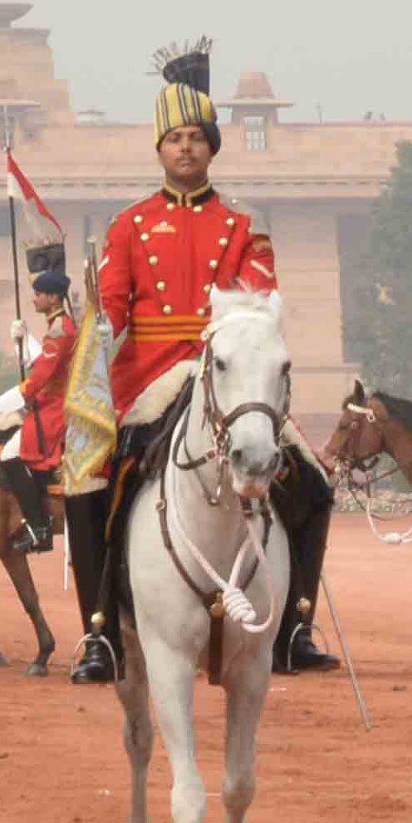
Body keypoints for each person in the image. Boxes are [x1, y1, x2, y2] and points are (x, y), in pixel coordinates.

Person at [64, 43, 338, 683]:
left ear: (212, 148)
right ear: (159, 150)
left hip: (229, 373)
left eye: (196, 139)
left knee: (314, 483)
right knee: (90, 477)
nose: (185, 149)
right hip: (154, 375)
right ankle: (98, 630)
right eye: (174, 139)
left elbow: (260, 300)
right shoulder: (129, 226)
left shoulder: (245, 226)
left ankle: (295, 625)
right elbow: (113, 305)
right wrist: (96, 327)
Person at [0, 242, 76, 544]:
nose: (34, 300)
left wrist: (2, 402)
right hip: (47, 403)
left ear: (52, 297)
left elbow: (40, 378)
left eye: (38, 295)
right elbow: (44, 363)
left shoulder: (61, 329)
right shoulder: (57, 326)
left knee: (10, 455)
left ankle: (40, 527)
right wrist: (25, 341)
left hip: (54, 409)